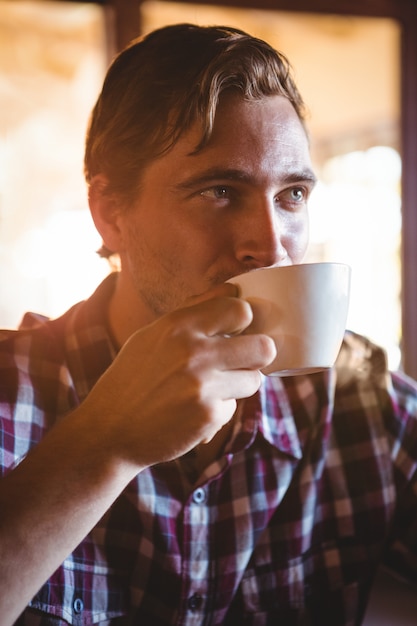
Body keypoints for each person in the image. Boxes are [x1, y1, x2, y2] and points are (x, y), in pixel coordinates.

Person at [0, 22, 416, 626]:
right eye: (221, 190)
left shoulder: (358, 400)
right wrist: (104, 444)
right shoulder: (12, 396)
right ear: (111, 214)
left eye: (292, 195)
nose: (271, 247)